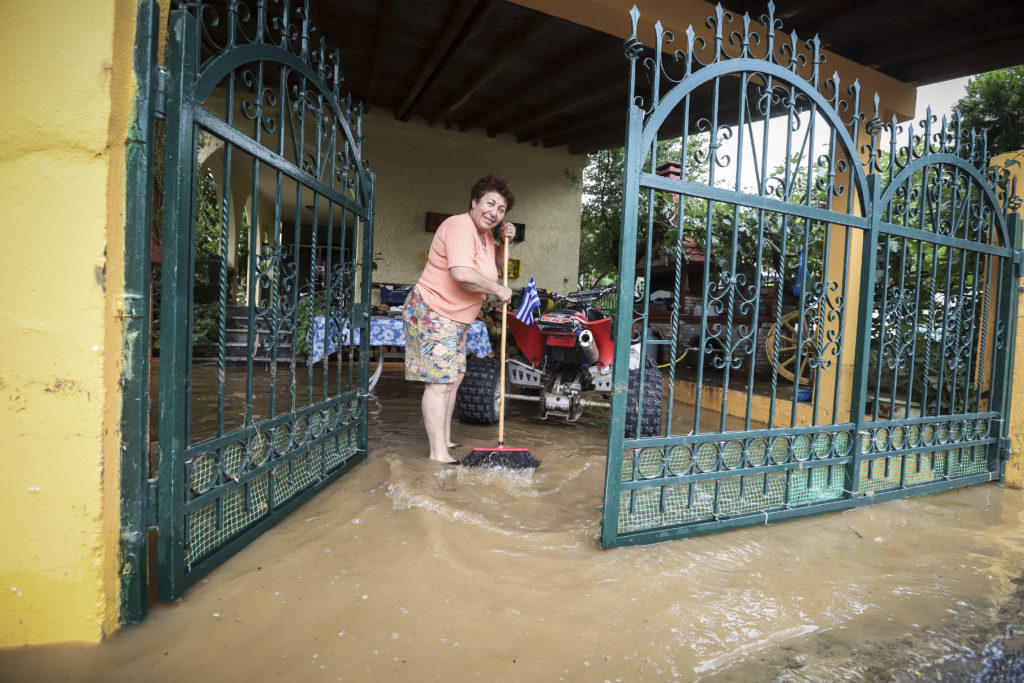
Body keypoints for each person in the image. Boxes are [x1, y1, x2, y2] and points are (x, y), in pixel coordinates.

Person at [402, 175, 517, 463]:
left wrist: (506, 241)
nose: (494, 211)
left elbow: (497, 266)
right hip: (433, 311)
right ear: (475, 201)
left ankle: (444, 438)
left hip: (457, 318)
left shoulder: (486, 236)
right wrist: (498, 290)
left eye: (501, 209)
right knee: (439, 383)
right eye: (490, 203)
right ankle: (437, 453)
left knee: (454, 378)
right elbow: (462, 274)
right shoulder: (458, 226)